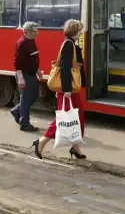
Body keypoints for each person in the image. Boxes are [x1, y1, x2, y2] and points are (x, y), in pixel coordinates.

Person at [32, 19, 86, 160]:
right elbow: (65, 68)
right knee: (64, 118)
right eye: (80, 29)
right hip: (68, 89)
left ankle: (76, 147)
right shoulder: (68, 44)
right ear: (74, 31)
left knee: (77, 116)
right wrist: (67, 89)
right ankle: (41, 142)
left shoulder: (72, 43)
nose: (82, 32)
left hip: (72, 89)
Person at [10, 21, 42, 132]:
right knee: (26, 99)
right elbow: (17, 63)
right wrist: (20, 78)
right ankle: (24, 124)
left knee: (34, 97)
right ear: (26, 32)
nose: (37, 33)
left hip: (32, 74)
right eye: (34, 31)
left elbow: (33, 58)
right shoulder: (22, 43)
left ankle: (16, 110)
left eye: (37, 31)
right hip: (25, 75)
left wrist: (38, 70)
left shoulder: (31, 41)